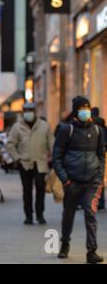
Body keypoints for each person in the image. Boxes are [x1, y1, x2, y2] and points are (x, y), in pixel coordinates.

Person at [53, 96, 105, 264]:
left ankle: (92, 251)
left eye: (87, 107)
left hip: (91, 182)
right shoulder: (66, 130)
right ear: (76, 111)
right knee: (68, 215)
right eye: (82, 108)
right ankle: (65, 245)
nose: (85, 111)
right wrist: (65, 180)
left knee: (91, 215)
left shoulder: (97, 131)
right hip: (72, 182)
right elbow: (56, 157)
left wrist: (99, 177)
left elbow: (101, 156)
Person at [6, 102, 54, 225]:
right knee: (27, 190)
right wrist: (17, 158)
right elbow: (10, 144)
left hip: (41, 162)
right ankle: (28, 216)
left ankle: (40, 214)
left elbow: (52, 144)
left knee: (40, 188)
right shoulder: (17, 127)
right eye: (26, 110)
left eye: (31, 110)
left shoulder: (44, 126)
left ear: (35, 111)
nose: (29, 112)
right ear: (23, 112)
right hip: (25, 163)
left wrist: (52, 158)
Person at [92, 107, 107, 210]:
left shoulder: (91, 126)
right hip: (101, 156)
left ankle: (91, 201)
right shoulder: (104, 127)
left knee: (88, 181)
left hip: (91, 155)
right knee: (100, 180)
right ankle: (101, 202)